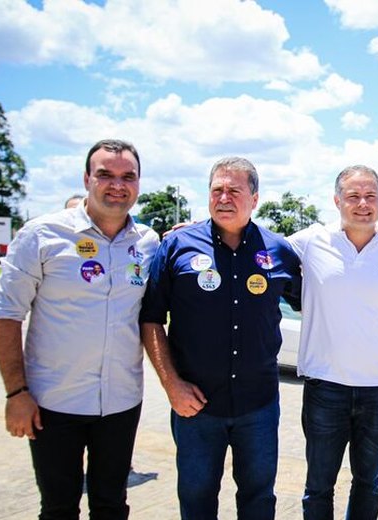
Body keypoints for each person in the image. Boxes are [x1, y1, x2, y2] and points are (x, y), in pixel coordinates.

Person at [0, 139, 159, 519]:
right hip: (53, 403)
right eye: (105, 175)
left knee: (112, 505)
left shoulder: (148, 243)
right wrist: (16, 392)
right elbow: (6, 316)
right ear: (87, 178)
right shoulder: (42, 235)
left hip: (120, 402)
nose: (117, 184)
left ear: (138, 183)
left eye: (127, 176)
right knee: (58, 508)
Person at [139, 157, 301, 519]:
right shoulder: (177, 245)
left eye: (234, 190)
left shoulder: (279, 251)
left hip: (258, 405)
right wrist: (171, 385)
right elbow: (150, 319)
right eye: (217, 190)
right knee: (196, 502)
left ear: (255, 198)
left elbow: (316, 305)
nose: (224, 198)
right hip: (195, 406)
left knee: (259, 500)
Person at [287, 165, 378, 519]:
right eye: (353, 196)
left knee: (368, 484)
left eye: (371, 196)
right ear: (337, 201)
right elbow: (255, 247)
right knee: (318, 487)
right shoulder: (308, 241)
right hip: (325, 386)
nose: (363, 204)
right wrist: (200, 231)